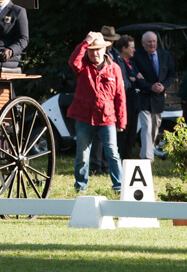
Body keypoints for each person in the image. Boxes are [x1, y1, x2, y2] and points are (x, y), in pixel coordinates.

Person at [67, 31, 127, 194]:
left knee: (112, 153)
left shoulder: (114, 68)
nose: (94, 53)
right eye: (91, 50)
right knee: (82, 155)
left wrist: (121, 121)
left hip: (107, 118)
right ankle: (80, 187)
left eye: (97, 49)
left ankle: (119, 187)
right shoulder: (82, 66)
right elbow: (73, 60)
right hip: (84, 118)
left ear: (105, 50)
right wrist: (85, 42)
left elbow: (120, 96)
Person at [131, 31, 176, 160]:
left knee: (155, 128)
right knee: (146, 126)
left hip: (158, 98)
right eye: (149, 42)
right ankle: (147, 158)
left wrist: (163, 86)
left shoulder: (165, 55)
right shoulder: (137, 56)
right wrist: (150, 86)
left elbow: (171, 74)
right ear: (143, 43)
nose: (152, 44)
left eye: (154, 41)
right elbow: (135, 76)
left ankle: (146, 152)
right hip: (143, 96)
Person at [112, 33, 145, 159]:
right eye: (132, 47)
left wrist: (136, 79)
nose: (134, 50)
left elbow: (140, 80)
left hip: (134, 103)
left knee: (132, 133)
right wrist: (136, 79)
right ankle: (123, 157)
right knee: (123, 133)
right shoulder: (118, 63)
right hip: (125, 103)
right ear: (124, 48)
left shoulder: (132, 64)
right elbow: (126, 82)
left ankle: (129, 157)